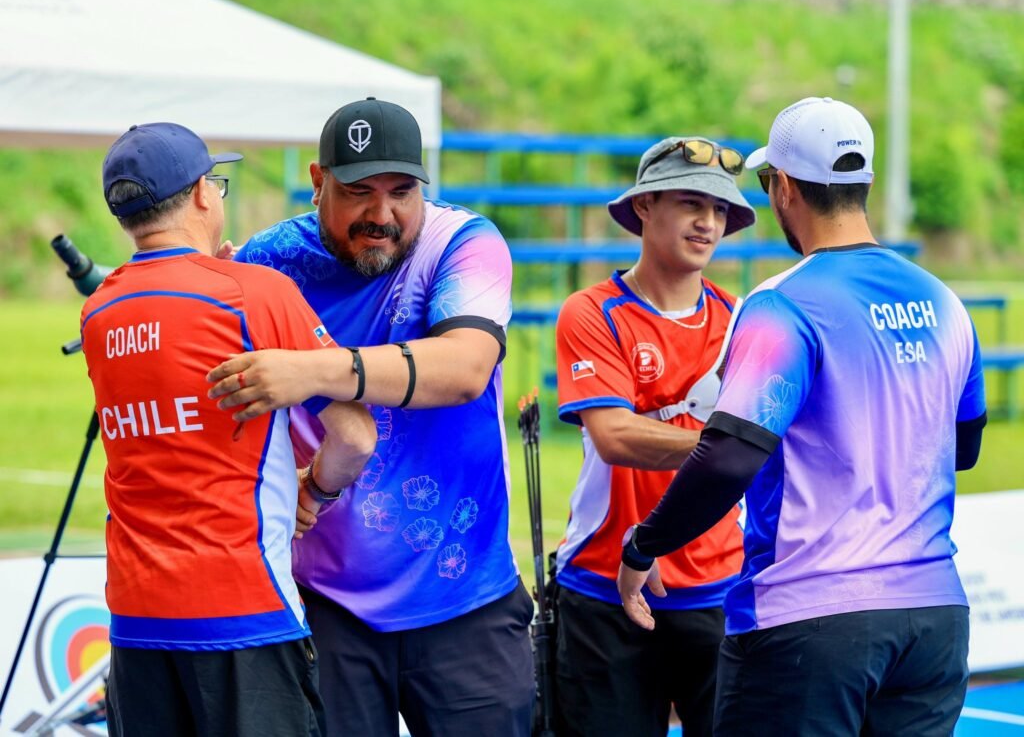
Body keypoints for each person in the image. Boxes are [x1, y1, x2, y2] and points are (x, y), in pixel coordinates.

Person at [617, 97, 988, 736]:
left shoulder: (783, 305)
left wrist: (644, 544)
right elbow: (965, 447)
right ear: (864, 183)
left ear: (784, 188)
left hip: (807, 616)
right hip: (934, 615)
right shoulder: (942, 300)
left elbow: (729, 457)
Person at [206, 97, 535, 736]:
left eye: (401, 192)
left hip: (464, 594)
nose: (381, 216)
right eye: (359, 192)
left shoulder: (461, 244)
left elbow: (465, 368)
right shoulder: (269, 260)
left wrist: (312, 369)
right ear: (317, 182)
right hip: (323, 601)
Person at [82, 122, 377, 737]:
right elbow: (355, 436)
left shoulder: (99, 309)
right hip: (246, 612)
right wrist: (315, 490)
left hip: (136, 619)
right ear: (201, 194)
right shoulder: (256, 294)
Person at [553, 137, 755, 736]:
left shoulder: (742, 320)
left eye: (720, 209)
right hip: (602, 586)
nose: (708, 222)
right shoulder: (592, 312)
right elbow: (615, 437)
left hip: (719, 586)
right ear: (644, 206)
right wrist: (731, 449)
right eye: (692, 202)